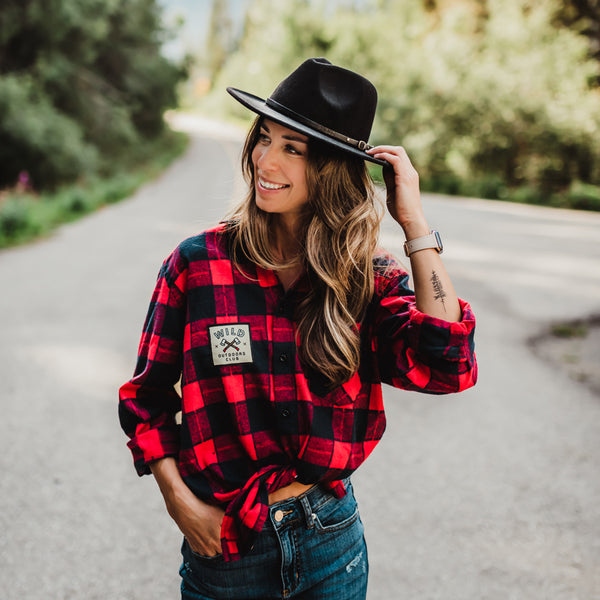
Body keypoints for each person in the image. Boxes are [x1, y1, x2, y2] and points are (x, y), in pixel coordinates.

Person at [119, 57, 477, 600]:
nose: (265, 159)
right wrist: (179, 502)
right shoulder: (197, 264)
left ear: (331, 168)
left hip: (330, 539)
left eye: (293, 148)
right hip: (225, 545)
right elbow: (145, 399)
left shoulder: (365, 276)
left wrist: (414, 224)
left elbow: (445, 363)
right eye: (264, 138)